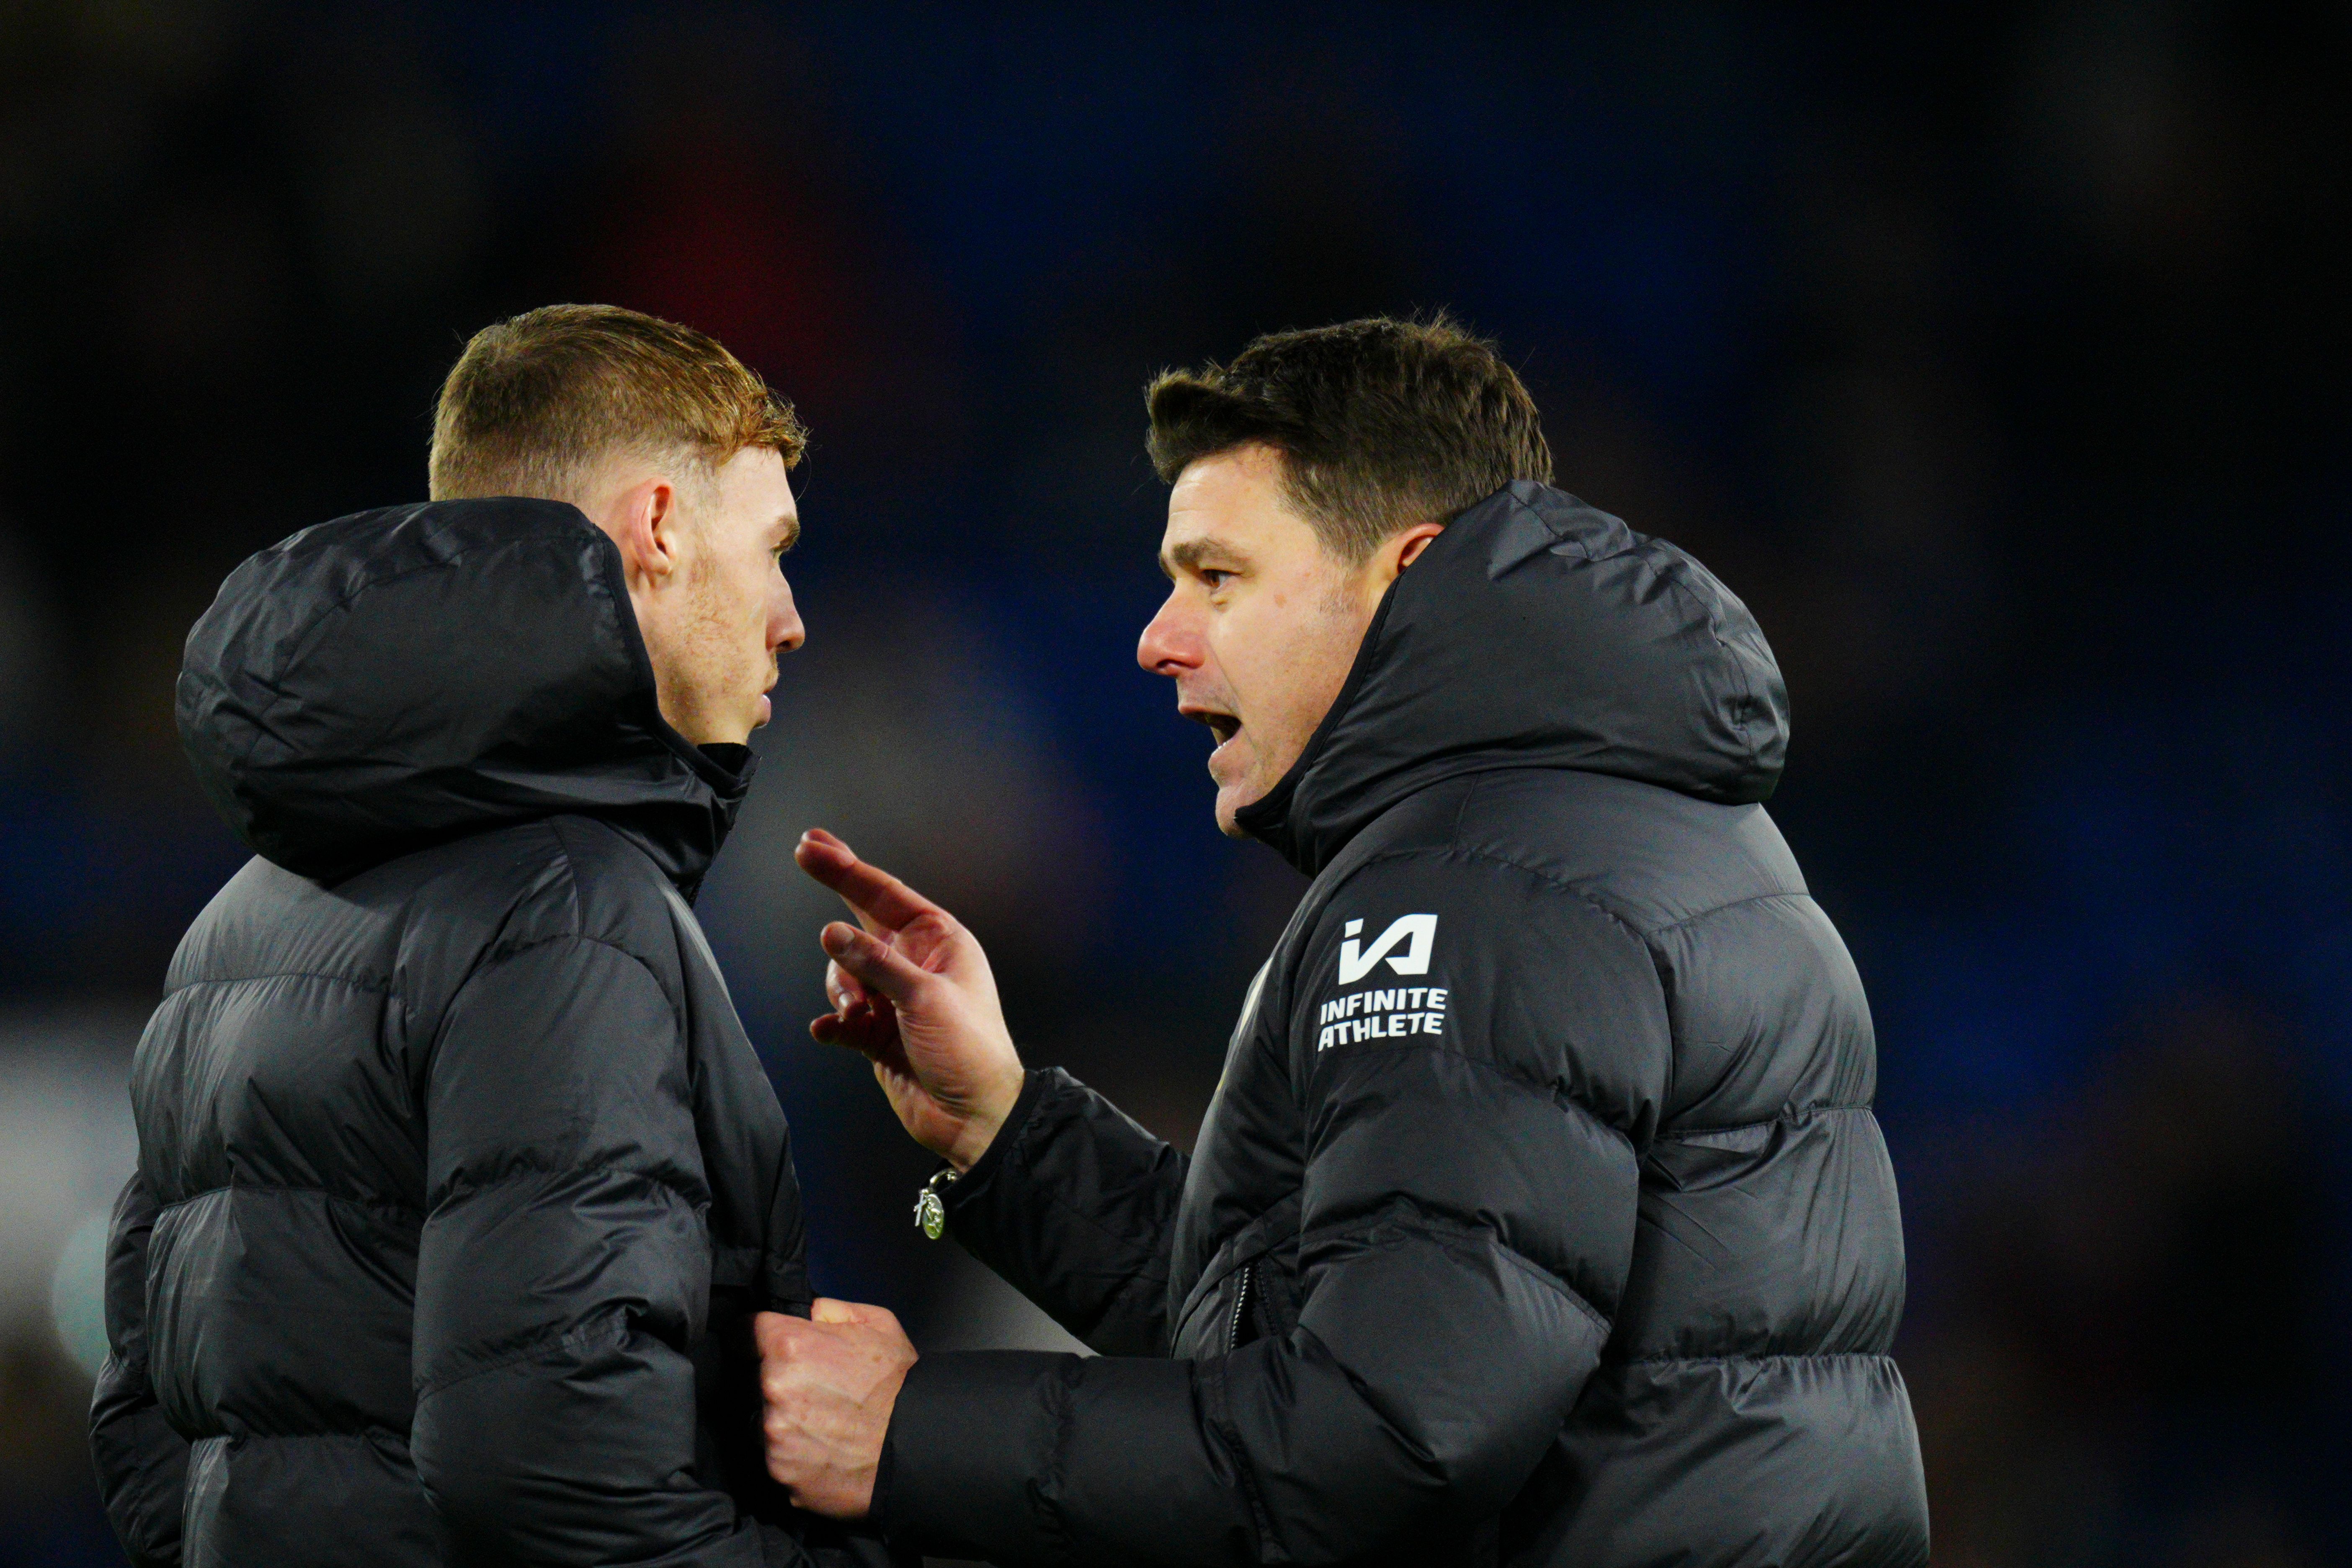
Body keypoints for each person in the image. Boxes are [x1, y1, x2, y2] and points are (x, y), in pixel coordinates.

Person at [755, 316, 1930, 1565]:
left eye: (1218, 578)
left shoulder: (1474, 889)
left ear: (1405, 575)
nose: (1159, 636)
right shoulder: (1615, 824)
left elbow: (1389, 1433)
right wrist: (1008, 1137)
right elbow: (1353, 1330)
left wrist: (907, 1431)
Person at [90, 304, 895, 1568]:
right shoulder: (567, 913)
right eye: (776, 546)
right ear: (661, 531)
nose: (792, 616)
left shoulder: (236, 921)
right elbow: (560, 1478)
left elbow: (149, 1446)